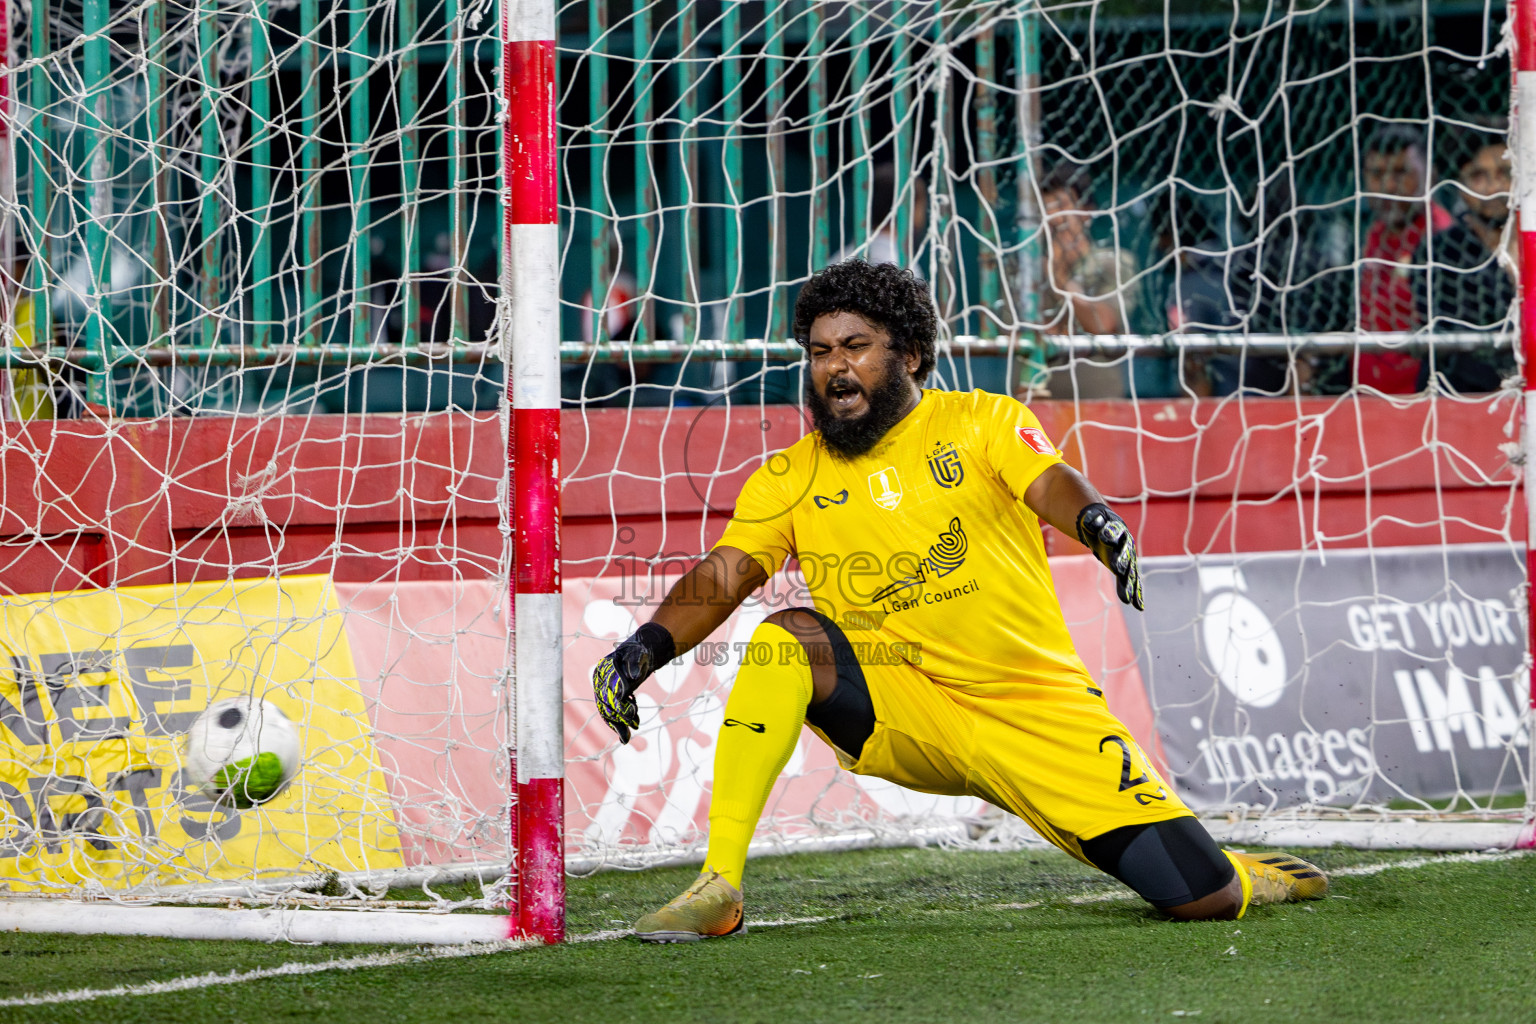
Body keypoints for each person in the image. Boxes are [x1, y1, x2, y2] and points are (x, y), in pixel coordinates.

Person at [591, 259, 1329, 943]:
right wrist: (644, 647)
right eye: (819, 352)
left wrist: (1098, 523)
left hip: (1035, 710)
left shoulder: (983, 420)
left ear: (909, 354)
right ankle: (719, 884)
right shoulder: (789, 474)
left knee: (1198, 896)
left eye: (856, 346)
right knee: (788, 636)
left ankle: (1246, 874)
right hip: (910, 707)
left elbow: (1050, 483)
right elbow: (726, 572)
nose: (835, 367)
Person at [1412, 128, 1517, 393]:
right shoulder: (1438, 253)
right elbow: (1456, 338)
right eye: (1479, 176)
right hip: (1459, 393)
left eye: (1504, 174)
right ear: (1460, 184)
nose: (1494, 188)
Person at [1358, 125, 1454, 393]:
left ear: (1430, 177)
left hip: (1424, 404)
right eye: (1377, 174)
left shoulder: (1444, 240)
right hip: (1367, 398)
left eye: (1401, 173)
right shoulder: (1370, 235)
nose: (1388, 186)